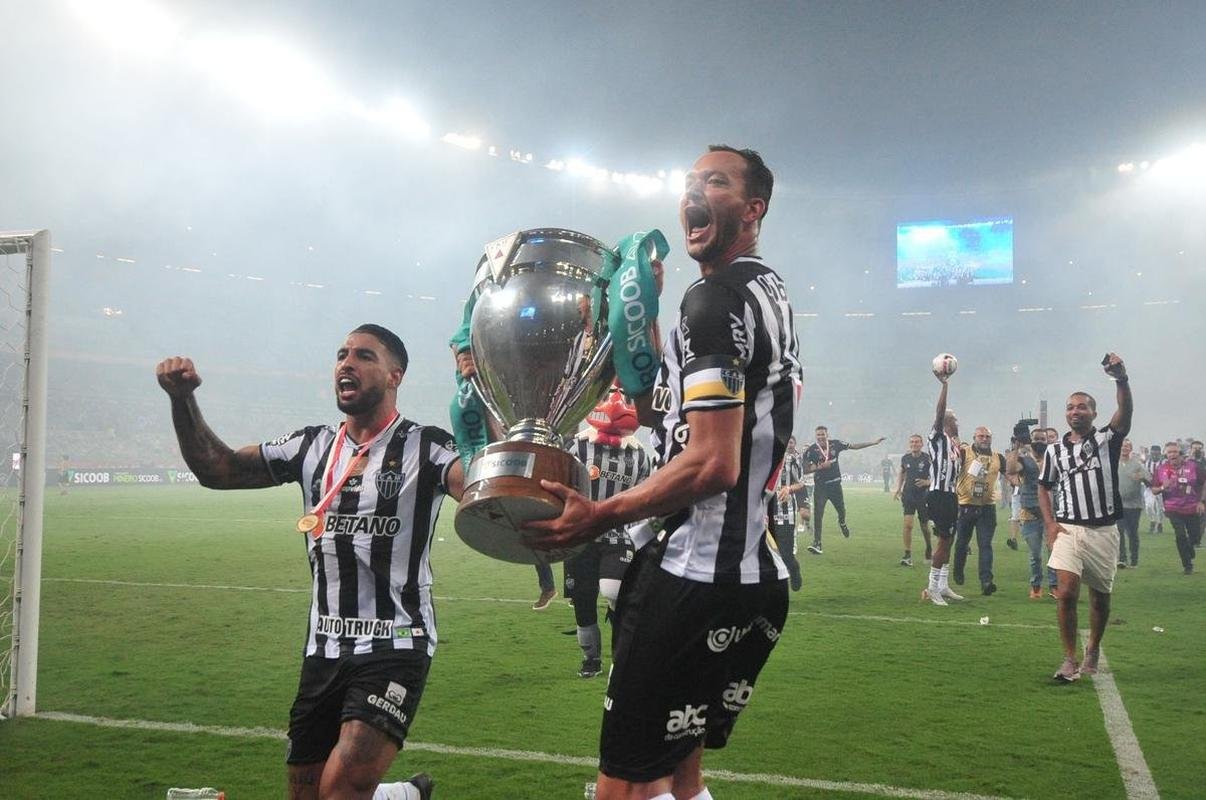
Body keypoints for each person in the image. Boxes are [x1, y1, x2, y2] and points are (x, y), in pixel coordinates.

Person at [530, 145, 800, 800]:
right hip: (746, 574)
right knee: (680, 776)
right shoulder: (764, 290)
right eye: (690, 182)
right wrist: (638, 328)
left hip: (693, 577)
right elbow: (670, 415)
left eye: (717, 181)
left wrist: (600, 514)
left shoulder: (714, 299)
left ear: (754, 209)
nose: (695, 192)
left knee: (623, 789)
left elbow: (712, 461)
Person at [156, 324, 457, 800]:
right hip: (323, 647)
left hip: (395, 641)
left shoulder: (428, 446)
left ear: (394, 375)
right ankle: (404, 795)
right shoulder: (310, 446)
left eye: (364, 355)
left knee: (339, 792)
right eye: (341, 354)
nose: (346, 363)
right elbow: (219, 469)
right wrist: (182, 400)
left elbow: (476, 487)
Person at [1038, 352, 1132, 683]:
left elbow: (1125, 414)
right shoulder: (1054, 451)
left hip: (1103, 531)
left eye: (1081, 407)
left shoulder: (1107, 439)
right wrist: (1050, 524)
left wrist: (1121, 379)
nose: (1074, 411)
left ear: (1094, 412)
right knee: (1065, 593)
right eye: (1070, 408)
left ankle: (1092, 648)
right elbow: (1043, 487)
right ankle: (1069, 658)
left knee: (1100, 597)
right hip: (1067, 529)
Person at [564, 388, 653, 677]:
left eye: (625, 398)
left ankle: (623, 655)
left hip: (618, 534)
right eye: (607, 396)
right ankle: (591, 660)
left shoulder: (639, 455)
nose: (615, 403)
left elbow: (644, 495)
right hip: (582, 535)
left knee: (614, 591)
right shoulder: (577, 447)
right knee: (582, 599)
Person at [801, 426, 885, 553]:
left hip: (835, 485)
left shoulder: (835, 444)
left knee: (841, 510)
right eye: (818, 435)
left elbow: (854, 446)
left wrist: (873, 443)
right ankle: (817, 543)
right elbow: (805, 469)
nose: (821, 437)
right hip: (821, 487)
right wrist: (820, 467)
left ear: (827, 435)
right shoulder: (811, 450)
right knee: (818, 514)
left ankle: (842, 522)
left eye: (823, 434)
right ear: (815, 436)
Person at [922, 370, 964, 606]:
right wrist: (945, 386)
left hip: (951, 496)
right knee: (943, 541)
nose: (957, 422)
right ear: (946, 422)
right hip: (939, 495)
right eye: (954, 419)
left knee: (950, 540)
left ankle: (943, 585)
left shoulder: (954, 445)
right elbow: (939, 412)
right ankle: (932, 588)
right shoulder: (937, 437)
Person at [952, 427, 1007, 596]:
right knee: (962, 542)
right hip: (966, 505)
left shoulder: (998, 457)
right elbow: (951, 466)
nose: (984, 439)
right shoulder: (964, 452)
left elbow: (1011, 475)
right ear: (974, 437)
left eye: (987, 436)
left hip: (987, 507)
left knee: (985, 544)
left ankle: (986, 581)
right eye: (981, 436)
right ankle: (958, 569)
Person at [1008, 426, 1056, 598]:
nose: (1039, 442)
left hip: (1051, 512)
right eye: (1036, 439)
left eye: (1043, 439)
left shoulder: (1054, 459)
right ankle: (1036, 586)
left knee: (1054, 551)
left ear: (1048, 441)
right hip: (1030, 512)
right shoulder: (1024, 460)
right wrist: (1016, 446)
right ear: (1030, 440)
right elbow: (1010, 469)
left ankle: (1054, 586)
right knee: (1035, 554)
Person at [1150, 441, 1205, 574]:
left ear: (1180, 453)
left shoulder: (1193, 466)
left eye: (1175, 451)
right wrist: (1163, 487)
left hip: (1191, 506)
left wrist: (1201, 501)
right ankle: (1187, 565)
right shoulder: (1161, 469)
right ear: (1166, 454)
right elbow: (1154, 490)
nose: (1172, 454)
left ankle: (1190, 547)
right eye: (1169, 452)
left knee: (1195, 536)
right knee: (1180, 534)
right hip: (1172, 508)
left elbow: (1203, 483)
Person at [771, 439, 806, 590]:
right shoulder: (760, 458)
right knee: (767, 554)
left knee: (786, 555)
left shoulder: (791, 460)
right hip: (764, 512)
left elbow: (801, 482)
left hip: (785, 512)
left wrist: (789, 489)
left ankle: (794, 569)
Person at [892, 434, 932, 566]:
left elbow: (937, 476)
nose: (914, 444)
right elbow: (902, 473)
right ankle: (907, 555)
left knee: (924, 526)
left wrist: (927, 482)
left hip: (923, 496)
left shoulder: (928, 458)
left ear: (922, 444)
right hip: (908, 495)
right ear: (910, 444)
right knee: (908, 525)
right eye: (912, 442)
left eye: (917, 442)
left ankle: (928, 547)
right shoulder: (905, 458)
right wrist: (898, 488)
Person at [1115, 439, 1150, 569]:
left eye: (1127, 446)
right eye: (1122, 446)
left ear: (1131, 449)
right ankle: (1122, 559)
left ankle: (1134, 560)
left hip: (1134, 505)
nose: (1124, 448)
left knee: (1132, 533)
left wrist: (1142, 476)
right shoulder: (1113, 463)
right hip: (1118, 504)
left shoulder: (1137, 464)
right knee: (1119, 531)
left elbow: (1149, 479)